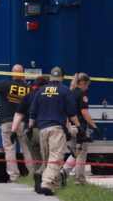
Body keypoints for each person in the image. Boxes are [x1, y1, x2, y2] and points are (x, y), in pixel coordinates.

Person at [28, 66, 83, 196]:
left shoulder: (41, 90)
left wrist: (30, 128)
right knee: (56, 157)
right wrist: (79, 126)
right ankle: (46, 184)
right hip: (56, 129)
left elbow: (32, 112)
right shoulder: (65, 91)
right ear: (62, 78)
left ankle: (56, 185)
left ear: (51, 77)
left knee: (48, 158)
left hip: (42, 129)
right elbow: (71, 112)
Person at [10, 75, 50, 191]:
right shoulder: (48, 96)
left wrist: (13, 131)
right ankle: (43, 179)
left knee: (36, 159)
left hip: (29, 132)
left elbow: (18, 115)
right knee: (48, 158)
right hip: (44, 130)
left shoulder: (28, 96)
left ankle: (38, 183)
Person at [62, 73, 99, 186]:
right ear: (82, 83)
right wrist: (94, 126)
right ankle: (80, 181)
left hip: (70, 127)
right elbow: (84, 112)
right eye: (86, 85)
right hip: (80, 128)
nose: (87, 88)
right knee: (81, 154)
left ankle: (63, 172)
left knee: (75, 153)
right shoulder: (81, 95)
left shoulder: (70, 92)